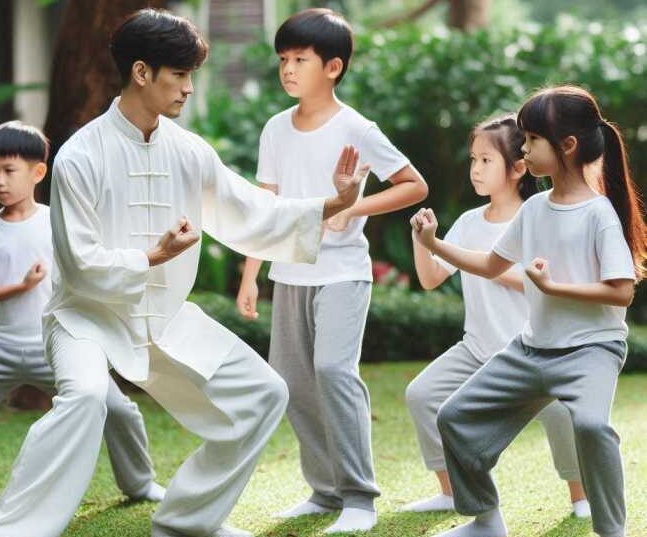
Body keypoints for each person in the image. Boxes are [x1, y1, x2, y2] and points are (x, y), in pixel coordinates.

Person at [0, 9, 367, 537]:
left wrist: (330, 204)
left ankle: (187, 521)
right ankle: (14, 531)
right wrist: (152, 258)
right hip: (85, 319)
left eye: (191, 76)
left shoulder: (189, 151)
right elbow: (78, 261)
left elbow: (249, 211)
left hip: (163, 318)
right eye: (180, 75)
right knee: (88, 396)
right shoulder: (79, 155)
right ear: (142, 72)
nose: (188, 88)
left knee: (264, 395)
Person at [411, 85, 645, 537]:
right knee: (453, 417)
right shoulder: (535, 208)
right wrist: (434, 244)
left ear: (568, 147)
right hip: (533, 349)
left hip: (591, 350)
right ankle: (485, 520)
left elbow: (621, 292)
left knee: (593, 426)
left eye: (532, 139)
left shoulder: (599, 214)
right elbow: (490, 263)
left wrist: (553, 286)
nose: (523, 148)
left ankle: (611, 530)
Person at [235, 8, 428, 533]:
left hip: (343, 271)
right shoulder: (276, 129)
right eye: (282, 59)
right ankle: (323, 492)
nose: (288, 69)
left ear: (334, 66)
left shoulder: (356, 128)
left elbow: (414, 185)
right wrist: (252, 273)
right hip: (289, 273)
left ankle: (359, 497)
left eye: (300, 59)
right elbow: (266, 208)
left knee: (333, 373)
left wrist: (350, 209)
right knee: (294, 383)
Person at [0, 121, 164, 509]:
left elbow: (97, 272)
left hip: (57, 346)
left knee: (119, 410)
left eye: (9, 171)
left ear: (38, 172)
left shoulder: (62, 222)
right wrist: (19, 287)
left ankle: (140, 485)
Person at [403, 113, 588, 518]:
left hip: (531, 351)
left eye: (486, 160)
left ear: (518, 167)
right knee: (422, 395)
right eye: (473, 160)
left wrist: (491, 268)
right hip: (476, 349)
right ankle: (450, 491)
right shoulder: (469, 223)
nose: (475, 169)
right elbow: (432, 277)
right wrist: (423, 241)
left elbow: (544, 281)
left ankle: (580, 497)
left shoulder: (538, 215)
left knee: (562, 414)